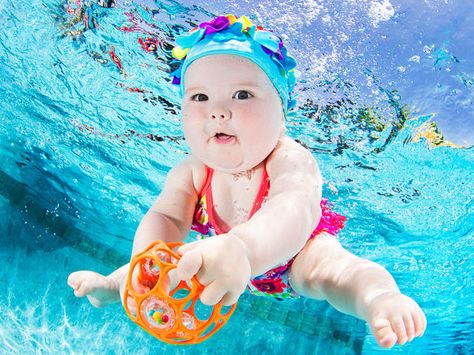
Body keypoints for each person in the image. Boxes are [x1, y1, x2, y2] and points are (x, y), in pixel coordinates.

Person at [68, 14, 426, 349]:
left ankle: (379, 297)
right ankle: (119, 285)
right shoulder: (190, 172)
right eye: (200, 96)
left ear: (282, 116)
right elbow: (167, 220)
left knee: (329, 272)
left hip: (293, 254)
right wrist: (148, 262)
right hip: (225, 262)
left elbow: (294, 209)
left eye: (242, 95)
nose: (218, 110)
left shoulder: (289, 158)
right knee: (173, 258)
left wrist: (243, 249)